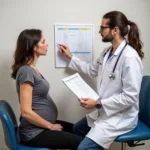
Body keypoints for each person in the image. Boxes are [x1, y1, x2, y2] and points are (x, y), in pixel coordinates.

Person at [59, 11, 144, 150]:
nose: (99, 31)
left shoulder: (130, 58)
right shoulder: (106, 52)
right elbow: (91, 69)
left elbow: (130, 97)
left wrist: (98, 104)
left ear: (115, 30)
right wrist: (70, 57)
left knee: (83, 148)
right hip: (105, 111)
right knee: (77, 129)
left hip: (121, 116)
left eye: (102, 28)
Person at [11, 29, 82, 149]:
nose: (47, 44)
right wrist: (50, 126)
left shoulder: (32, 69)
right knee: (82, 143)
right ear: (33, 46)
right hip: (35, 133)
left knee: (79, 131)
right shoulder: (26, 71)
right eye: (43, 41)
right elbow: (26, 112)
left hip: (42, 127)